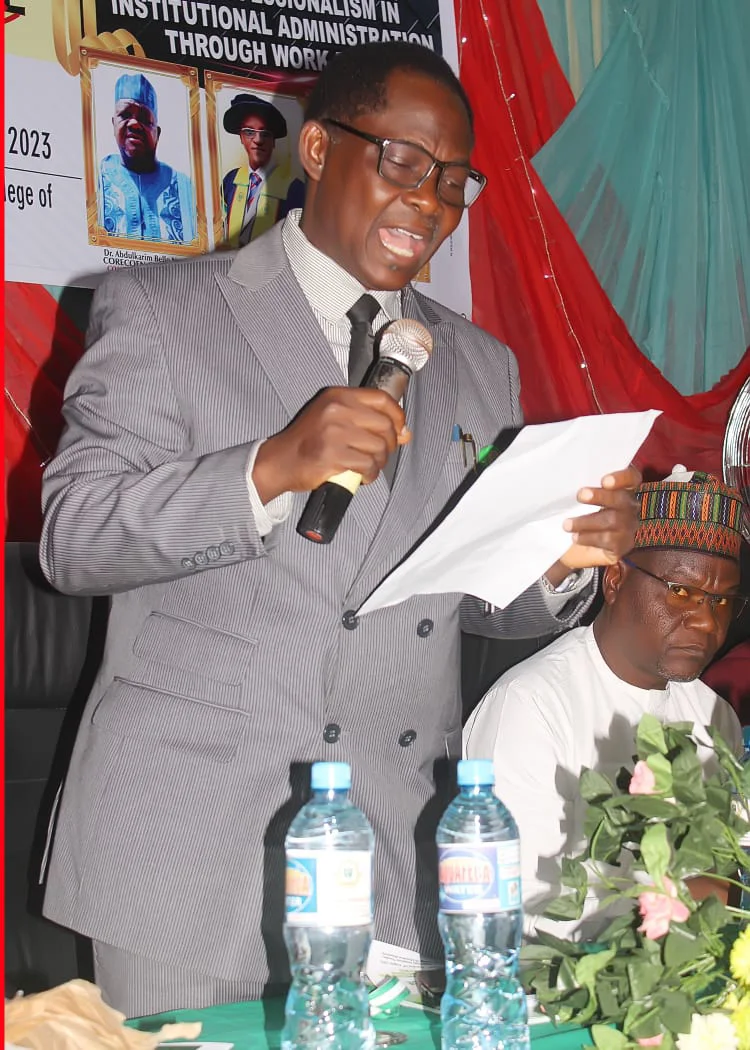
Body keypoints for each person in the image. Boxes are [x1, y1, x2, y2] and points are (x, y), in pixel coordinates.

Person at [40, 42, 640, 1016]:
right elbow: (74, 538)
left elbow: (471, 602)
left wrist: (558, 563)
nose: (430, 201)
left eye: (454, 180)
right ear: (317, 149)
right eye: (404, 161)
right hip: (185, 854)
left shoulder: (479, 366)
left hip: (390, 853)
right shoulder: (165, 313)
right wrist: (268, 470)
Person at [465, 467, 747, 938]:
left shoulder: (716, 718)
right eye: (682, 592)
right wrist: (674, 907)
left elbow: (724, 876)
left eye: (722, 601)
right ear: (614, 580)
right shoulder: (533, 706)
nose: (705, 622)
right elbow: (514, 916)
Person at [98, 72, 196, 244]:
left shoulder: (185, 189)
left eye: (145, 119)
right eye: (125, 115)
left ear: (157, 133)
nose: (134, 124)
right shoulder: (95, 181)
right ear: (113, 124)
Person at [221, 93, 305, 247]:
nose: (258, 140)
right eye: (249, 132)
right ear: (241, 137)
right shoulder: (230, 181)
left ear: (273, 141)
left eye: (265, 134)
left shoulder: (294, 189)